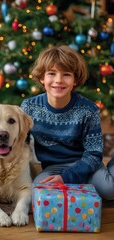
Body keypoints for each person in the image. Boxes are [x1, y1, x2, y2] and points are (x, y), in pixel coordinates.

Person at [21, 45, 114, 200]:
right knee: (36, 195)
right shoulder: (29, 107)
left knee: (110, 191)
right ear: (42, 78)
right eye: (51, 73)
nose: (58, 80)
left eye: (66, 74)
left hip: (86, 164)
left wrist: (67, 177)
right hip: (53, 168)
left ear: (75, 80)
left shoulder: (88, 110)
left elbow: (93, 153)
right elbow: (20, 144)